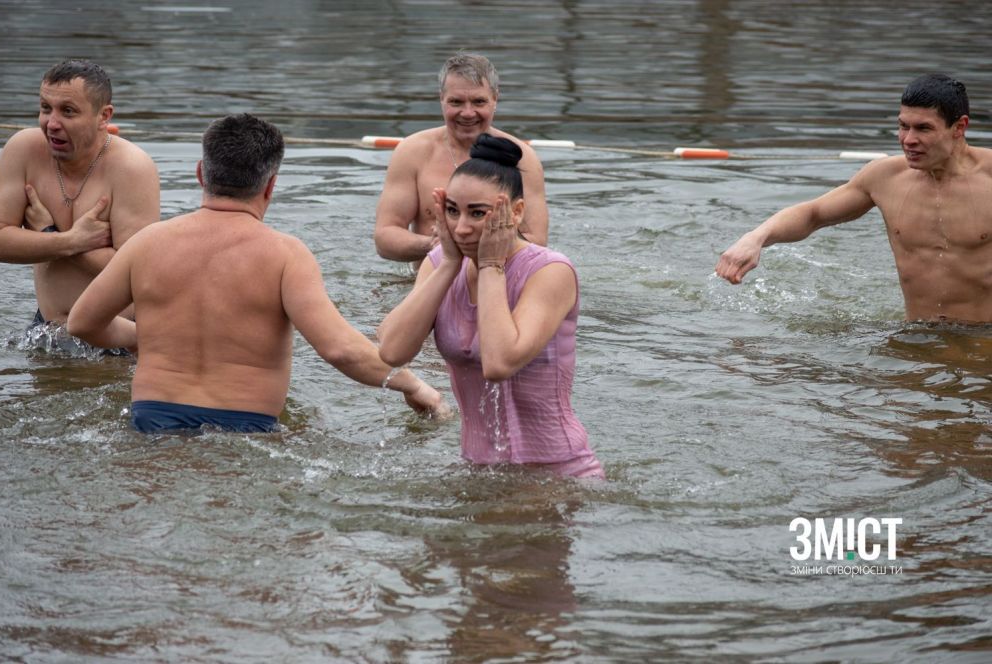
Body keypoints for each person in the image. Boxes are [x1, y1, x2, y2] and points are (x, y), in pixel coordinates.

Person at [67, 113, 445, 433]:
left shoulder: (147, 243)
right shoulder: (285, 255)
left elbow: (82, 322)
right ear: (271, 186)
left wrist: (143, 337)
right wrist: (414, 386)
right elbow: (340, 349)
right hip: (246, 430)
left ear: (201, 173)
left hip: (150, 421)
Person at [377, 133, 602, 478]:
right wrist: (450, 265)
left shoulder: (550, 271)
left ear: (516, 212)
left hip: (556, 472)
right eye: (452, 211)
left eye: (477, 213)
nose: (461, 227)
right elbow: (392, 351)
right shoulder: (440, 264)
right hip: (476, 471)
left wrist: (491, 265)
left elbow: (499, 362)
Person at [716, 74, 992, 323]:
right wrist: (756, 237)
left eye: (923, 129)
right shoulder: (884, 177)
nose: (908, 139)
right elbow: (814, 213)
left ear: (959, 127)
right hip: (916, 336)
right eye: (903, 126)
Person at [0, 59, 160, 331]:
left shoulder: (131, 167)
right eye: (46, 108)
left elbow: (136, 274)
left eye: (68, 112)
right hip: (45, 332)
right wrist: (69, 241)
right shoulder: (23, 149)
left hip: (118, 337)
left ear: (103, 117)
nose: (52, 123)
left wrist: (48, 234)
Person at [373, 53, 549, 266]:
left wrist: (479, 246)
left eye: (478, 101)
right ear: (441, 99)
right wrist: (435, 245)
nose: (467, 113)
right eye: (456, 102)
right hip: (427, 280)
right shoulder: (412, 151)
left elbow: (536, 242)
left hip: (494, 278)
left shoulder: (521, 157)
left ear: (495, 99)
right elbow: (385, 236)